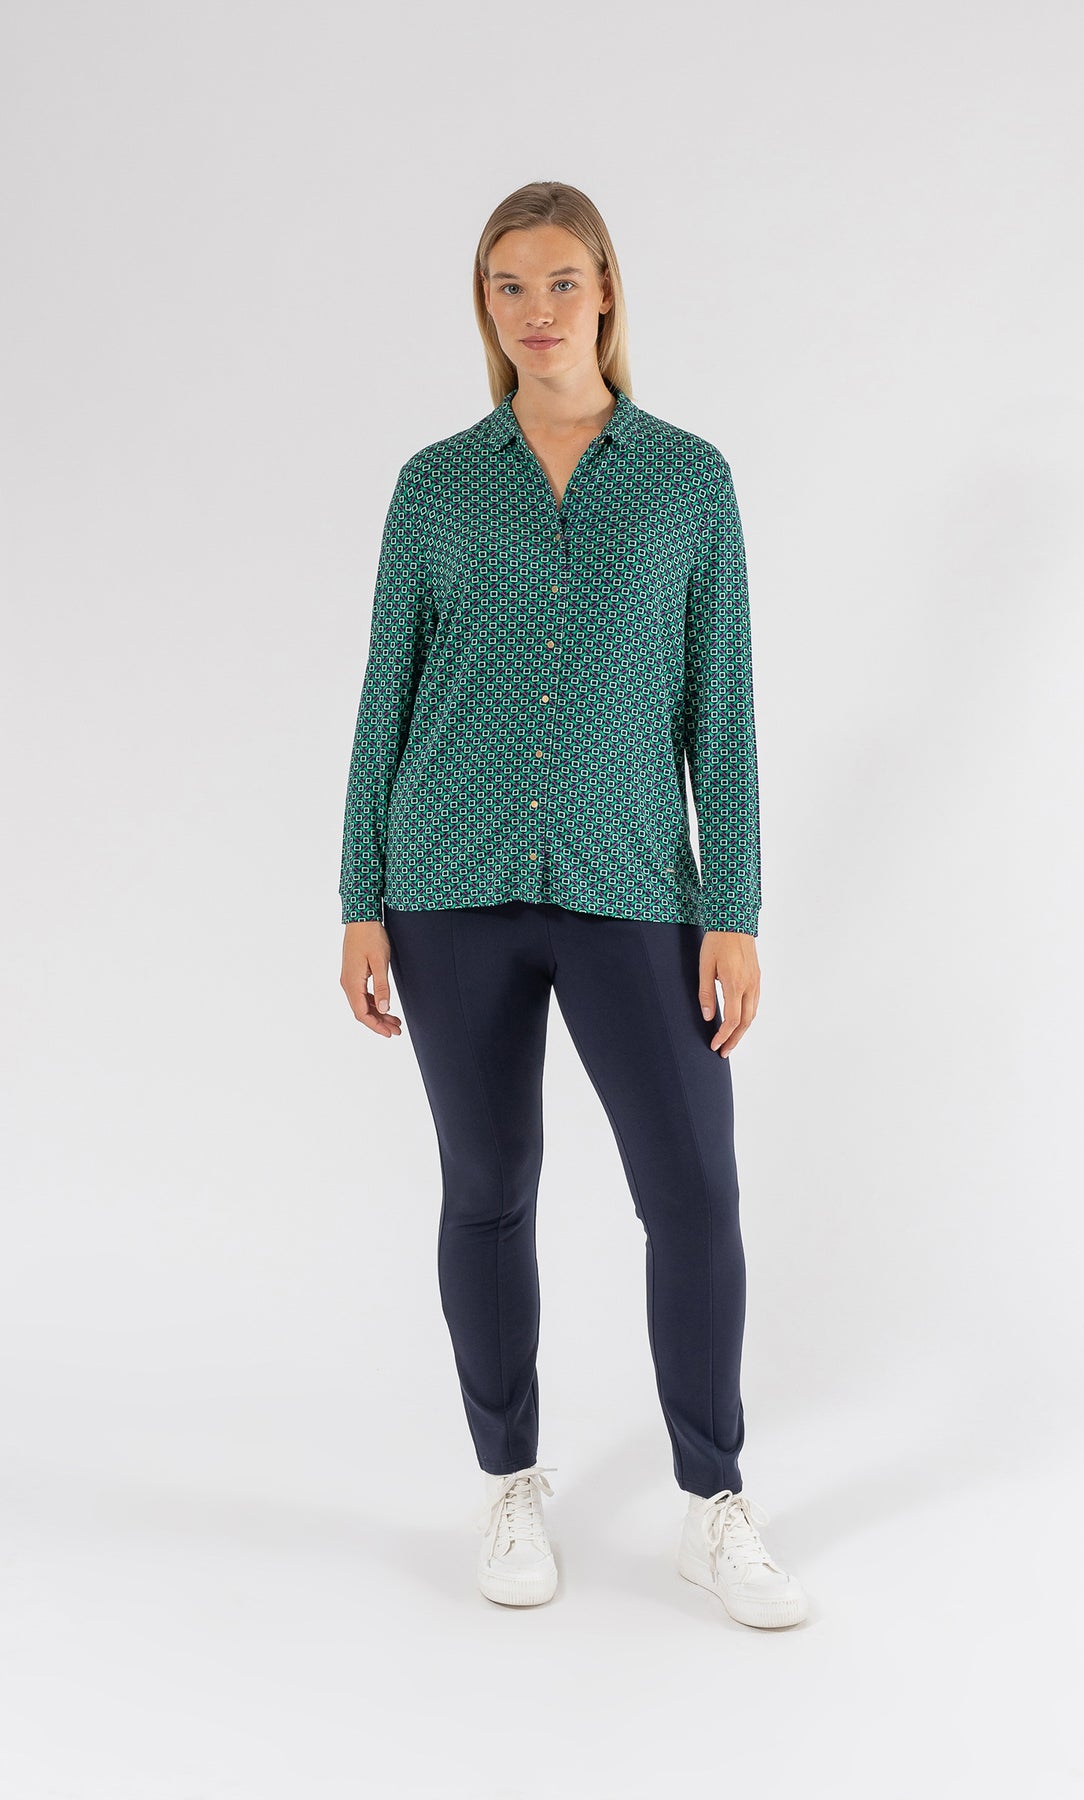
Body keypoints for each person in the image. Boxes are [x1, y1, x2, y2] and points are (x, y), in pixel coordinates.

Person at [337, 181, 805, 1630]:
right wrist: (360, 897)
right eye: (507, 286)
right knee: (488, 1187)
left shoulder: (686, 480)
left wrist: (733, 907)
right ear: (484, 306)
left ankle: (714, 1502)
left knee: (694, 1192)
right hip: (449, 879)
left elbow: (719, 709)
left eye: (559, 282)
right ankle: (508, 1484)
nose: (535, 312)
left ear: (605, 290)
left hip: (632, 885)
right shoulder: (435, 485)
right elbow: (386, 696)